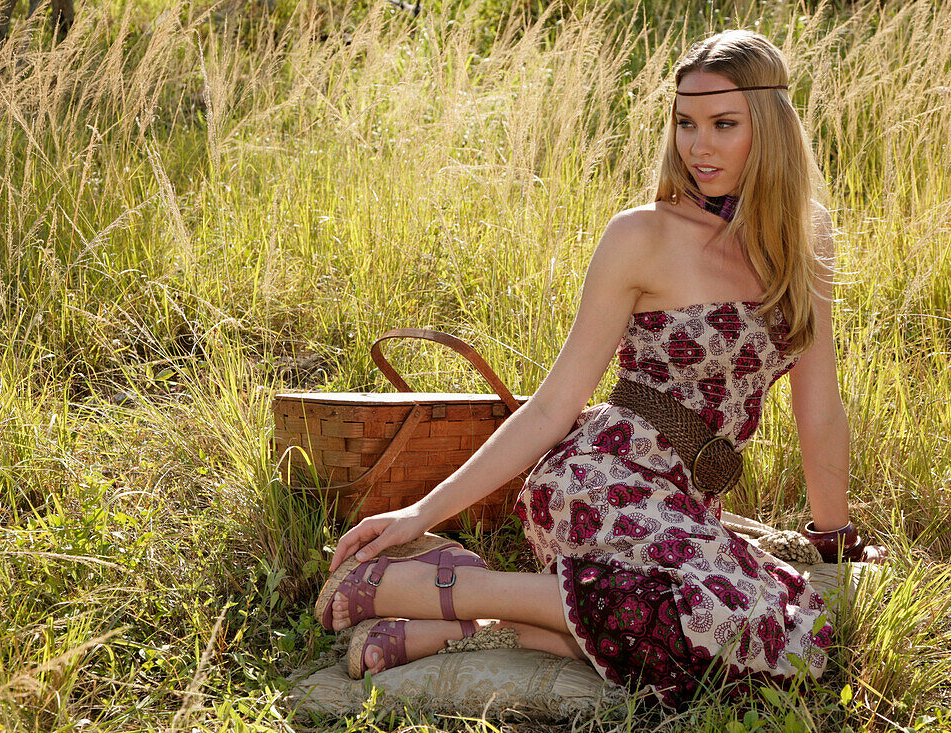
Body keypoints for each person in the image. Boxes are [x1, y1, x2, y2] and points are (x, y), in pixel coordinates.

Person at [313, 29, 886, 706]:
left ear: (772, 127)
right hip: (601, 482)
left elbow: (819, 407)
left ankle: (474, 628)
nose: (698, 147)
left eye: (724, 125)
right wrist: (420, 512)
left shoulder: (805, 233)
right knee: (724, 619)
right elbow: (555, 405)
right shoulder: (640, 235)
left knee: (793, 634)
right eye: (685, 124)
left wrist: (833, 543)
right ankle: (437, 586)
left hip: (687, 504)